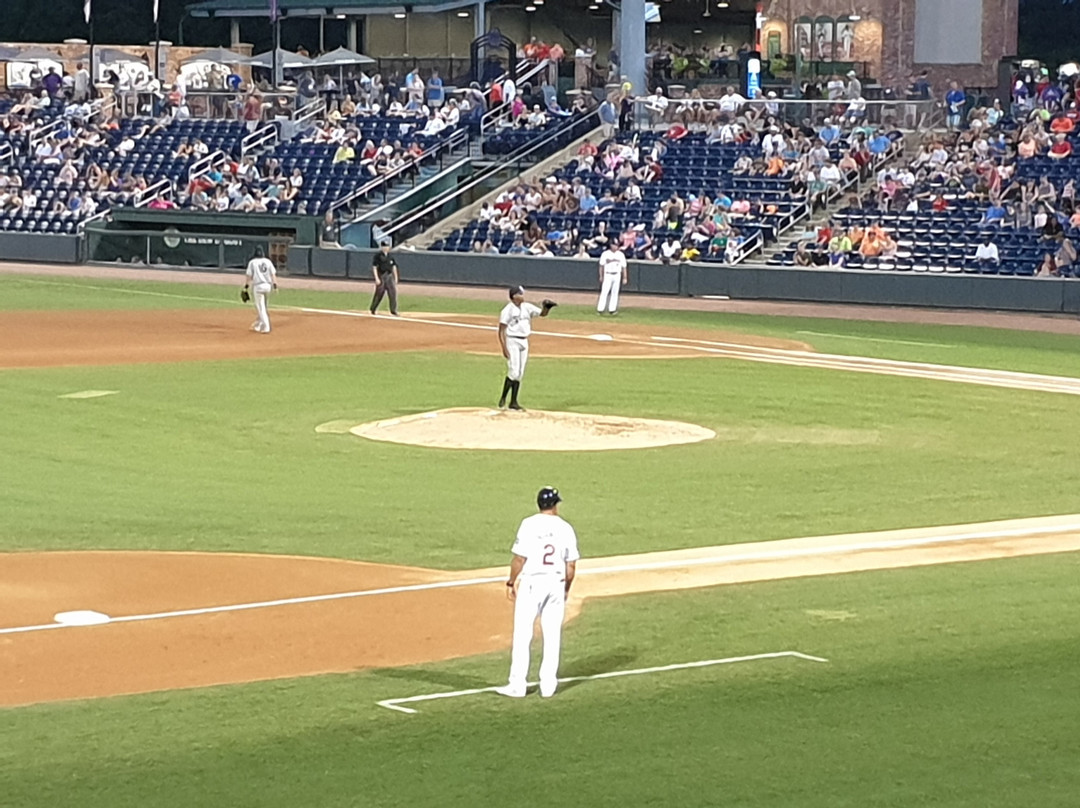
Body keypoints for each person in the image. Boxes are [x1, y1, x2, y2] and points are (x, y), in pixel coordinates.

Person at [496, 486, 579, 700]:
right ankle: (548, 685)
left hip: (533, 582)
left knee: (523, 634)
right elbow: (571, 566)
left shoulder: (528, 524)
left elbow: (519, 559)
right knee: (552, 635)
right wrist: (566, 589)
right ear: (555, 505)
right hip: (555, 583)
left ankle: (517, 685)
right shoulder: (565, 528)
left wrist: (511, 581)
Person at [497, 286, 555, 410]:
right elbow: (501, 330)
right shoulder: (507, 310)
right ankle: (503, 397)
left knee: (520, 373)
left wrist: (547, 308)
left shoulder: (527, 307)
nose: (522, 296)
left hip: (524, 341)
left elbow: (542, 314)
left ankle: (513, 402)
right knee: (513, 371)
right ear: (514, 296)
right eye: (520, 294)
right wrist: (504, 347)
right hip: (512, 341)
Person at [244, 246, 277, 333]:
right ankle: (259, 325)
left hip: (258, 287)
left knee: (260, 308)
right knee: (264, 306)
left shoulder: (252, 262)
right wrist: (275, 285)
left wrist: (246, 287)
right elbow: (273, 274)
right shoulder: (268, 261)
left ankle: (266, 326)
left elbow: (249, 276)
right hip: (268, 286)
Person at [369, 240, 400, 315]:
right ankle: (373, 308)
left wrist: (396, 277)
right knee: (379, 293)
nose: (385, 248)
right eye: (384, 246)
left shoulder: (390, 256)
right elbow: (375, 267)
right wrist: (376, 278)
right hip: (381, 275)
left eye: (386, 246)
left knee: (393, 293)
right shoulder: (378, 256)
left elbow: (394, 267)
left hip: (389, 276)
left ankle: (393, 310)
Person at [596, 244, 628, 314]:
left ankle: (612, 309)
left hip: (617, 275)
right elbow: (601, 266)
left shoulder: (620, 254)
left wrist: (625, 277)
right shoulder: (605, 254)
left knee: (615, 293)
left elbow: (624, 267)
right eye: (614, 245)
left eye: (617, 245)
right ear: (611, 245)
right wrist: (601, 276)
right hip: (607, 274)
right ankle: (600, 309)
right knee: (604, 292)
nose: (616, 246)